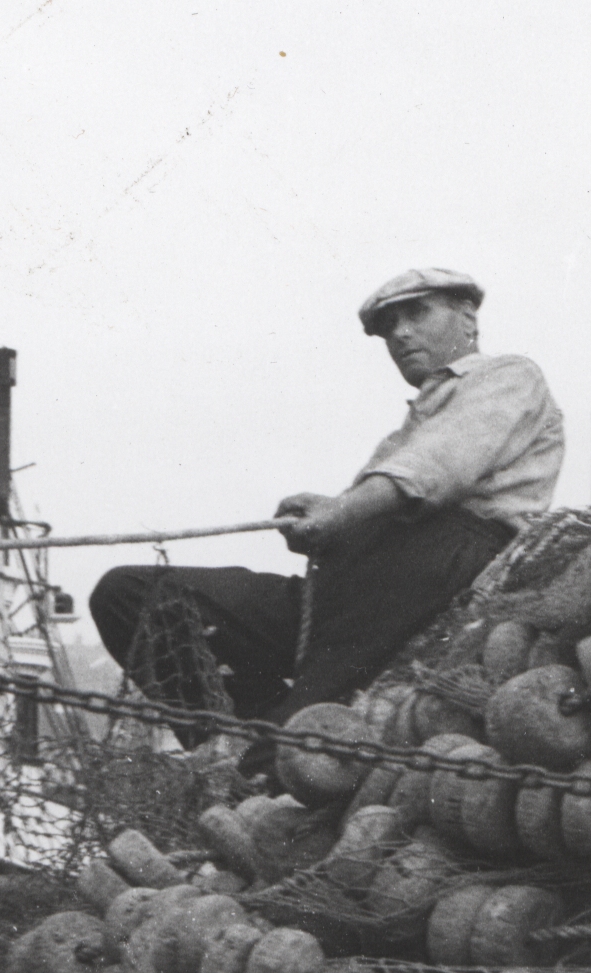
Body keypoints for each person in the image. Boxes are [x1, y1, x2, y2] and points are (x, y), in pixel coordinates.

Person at [90, 267, 563, 730]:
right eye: (388, 328)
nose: (400, 334)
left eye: (417, 313)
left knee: (292, 742)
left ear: (468, 317)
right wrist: (326, 525)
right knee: (128, 595)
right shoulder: (408, 428)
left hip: (437, 577)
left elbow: (438, 467)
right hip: (349, 591)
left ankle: (267, 745)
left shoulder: (509, 376)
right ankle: (231, 736)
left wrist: (339, 513)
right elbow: (388, 489)